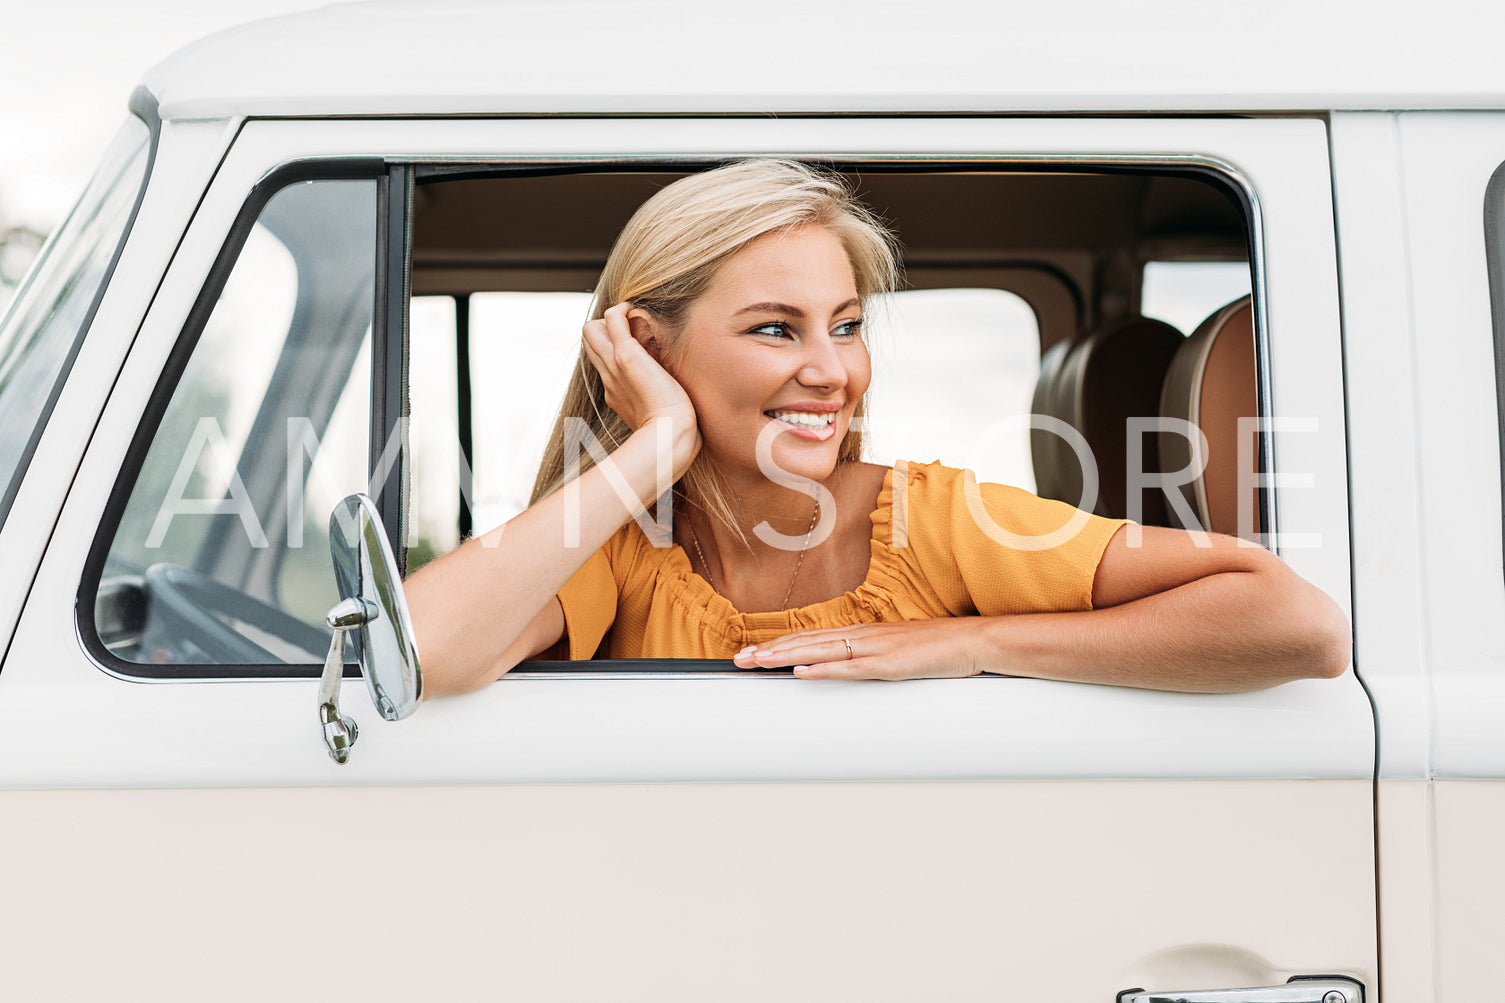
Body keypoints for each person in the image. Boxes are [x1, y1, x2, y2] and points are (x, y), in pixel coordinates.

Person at [405, 159, 1351, 697]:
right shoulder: (620, 548)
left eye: (847, 325)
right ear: (647, 347)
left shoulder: (935, 522)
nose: (832, 369)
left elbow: (1298, 623)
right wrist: (649, 446)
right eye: (775, 328)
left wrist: (978, 642)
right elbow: (424, 652)